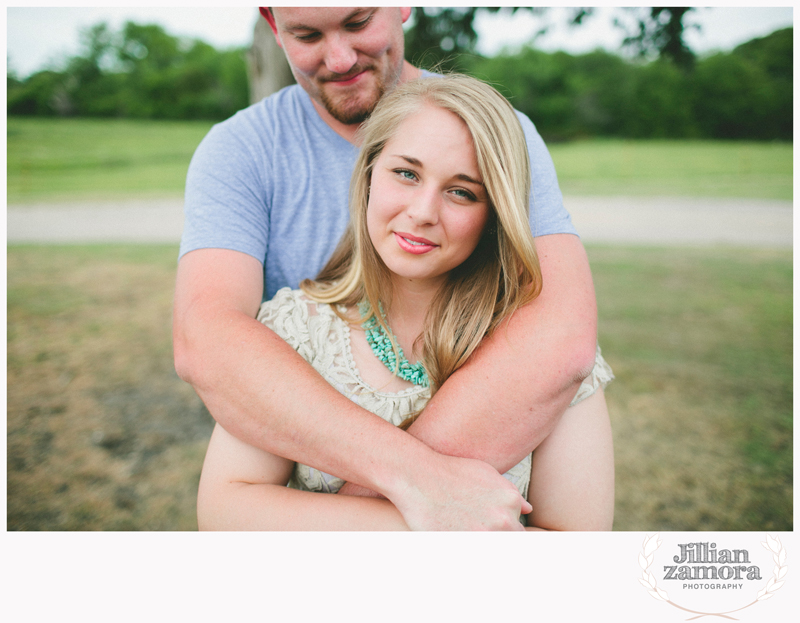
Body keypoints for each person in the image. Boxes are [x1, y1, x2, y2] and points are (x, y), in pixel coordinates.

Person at [174, 7, 607, 530]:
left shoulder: (501, 132)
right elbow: (208, 338)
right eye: (307, 34)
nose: (338, 57)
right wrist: (418, 487)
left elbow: (561, 339)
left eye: (357, 23)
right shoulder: (296, 317)